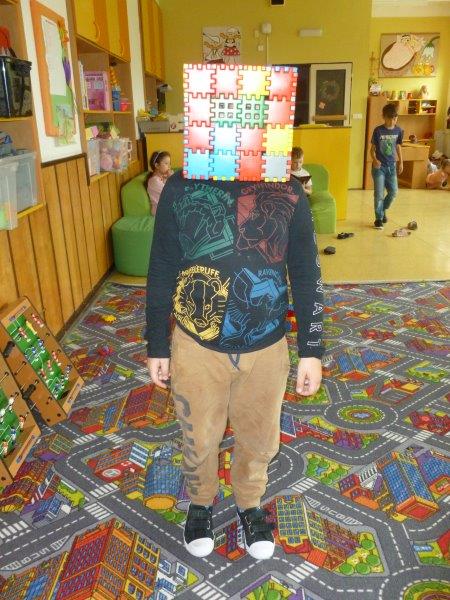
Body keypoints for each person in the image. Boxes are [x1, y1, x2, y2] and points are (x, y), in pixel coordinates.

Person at [146, 64, 324, 562]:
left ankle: (249, 502)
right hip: (196, 345)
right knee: (198, 436)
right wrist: (157, 343)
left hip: (266, 347)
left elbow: (306, 271)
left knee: (259, 437)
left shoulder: (288, 190)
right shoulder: (180, 187)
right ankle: (202, 501)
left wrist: (312, 349)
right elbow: (161, 268)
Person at [370, 103, 404, 229]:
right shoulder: (378, 131)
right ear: (383, 117)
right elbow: (372, 150)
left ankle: (382, 209)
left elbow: (398, 146)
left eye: (395, 118)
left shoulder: (399, 130)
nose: (392, 121)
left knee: (393, 192)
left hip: (392, 167)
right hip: (379, 168)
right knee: (379, 194)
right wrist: (374, 159)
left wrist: (401, 162)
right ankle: (378, 219)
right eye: (390, 118)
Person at [147, 150, 173, 215]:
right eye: (166, 163)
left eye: (169, 164)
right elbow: (171, 193)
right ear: (157, 165)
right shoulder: (154, 181)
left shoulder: (163, 177)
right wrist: (171, 179)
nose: (169, 166)